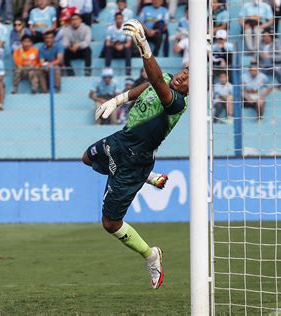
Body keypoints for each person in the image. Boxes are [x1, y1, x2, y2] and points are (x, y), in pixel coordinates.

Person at [81, 19, 189, 289]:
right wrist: (117, 99)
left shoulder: (176, 104)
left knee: (110, 223)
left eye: (188, 79)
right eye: (185, 71)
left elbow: (156, 80)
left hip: (133, 159)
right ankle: (148, 177)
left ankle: (151, 255)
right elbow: (148, 84)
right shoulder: (164, 79)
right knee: (86, 157)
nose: (182, 76)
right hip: (120, 141)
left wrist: (143, 45)